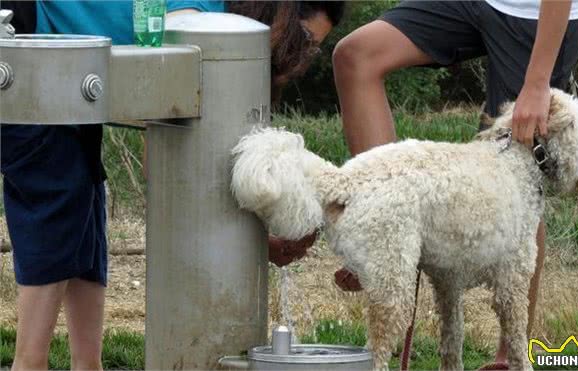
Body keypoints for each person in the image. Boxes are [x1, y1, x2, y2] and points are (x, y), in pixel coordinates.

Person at [1, 1, 343, 369]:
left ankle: (88, 364)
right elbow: (164, 166)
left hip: (67, 65)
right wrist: (255, 240)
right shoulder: (192, 21)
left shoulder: (214, 27)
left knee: (84, 200)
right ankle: (29, 363)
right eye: (305, 40)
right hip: (25, 48)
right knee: (58, 194)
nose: (305, 58)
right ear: (282, 16)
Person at [331, 0, 578, 369]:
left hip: (537, 14)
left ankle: (509, 357)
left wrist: (537, 85)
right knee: (356, 55)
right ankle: (388, 226)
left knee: (517, 168)